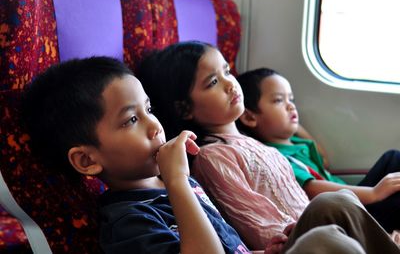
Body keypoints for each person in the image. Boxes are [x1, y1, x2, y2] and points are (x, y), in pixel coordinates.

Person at [137, 40, 400, 253]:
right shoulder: (213, 157)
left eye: (227, 72)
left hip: (309, 223)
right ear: (185, 109)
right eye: (213, 83)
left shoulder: (253, 141)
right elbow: (253, 222)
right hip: (286, 241)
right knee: (332, 208)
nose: (230, 84)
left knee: (338, 200)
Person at [21, 57, 250, 254]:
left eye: (148, 110)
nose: (155, 126)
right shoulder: (128, 222)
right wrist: (177, 181)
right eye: (131, 119)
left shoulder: (180, 182)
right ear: (87, 160)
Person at [236, 67, 400, 234]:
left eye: (291, 99)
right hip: (346, 211)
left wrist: (295, 126)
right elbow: (312, 189)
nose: (291, 106)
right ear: (250, 117)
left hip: (352, 198)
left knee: (393, 157)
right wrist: (373, 193)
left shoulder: (294, 143)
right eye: (279, 100)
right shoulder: (277, 157)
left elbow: (323, 159)